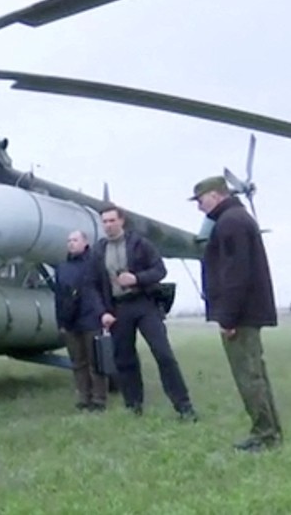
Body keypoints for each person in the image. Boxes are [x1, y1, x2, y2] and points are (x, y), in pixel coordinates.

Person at [190, 176, 282, 452]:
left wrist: (227, 317)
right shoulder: (236, 218)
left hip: (241, 315)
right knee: (256, 374)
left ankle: (265, 435)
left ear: (216, 195)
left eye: (201, 200)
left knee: (248, 376)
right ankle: (270, 431)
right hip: (246, 311)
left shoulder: (230, 222)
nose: (199, 207)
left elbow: (236, 274)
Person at [93, 206, 197, 420]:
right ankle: (133, 405)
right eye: (104, 222)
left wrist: (137, 279)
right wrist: (103, 311)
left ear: (121, 221)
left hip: (144, 304)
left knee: (163, 354)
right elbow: (92, 285)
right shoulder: (99, 250)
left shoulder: (139, 244)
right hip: (118, 308)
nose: (108, 225)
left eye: (112, 220)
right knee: (124, 359)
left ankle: (184, 406)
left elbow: (160, 270)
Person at [54, 230, 107, 411]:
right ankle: (84, 398)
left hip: (91, 319)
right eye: (69, 240)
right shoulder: (62, 268)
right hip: (71, 322)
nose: (71, 243)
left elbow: (103, 290)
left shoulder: (95, 264)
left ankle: (99, 399)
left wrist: (105, 314)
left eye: (75, 240)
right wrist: (60, 322)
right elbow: (59, 297)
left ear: (85, 242)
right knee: (77, 362)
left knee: (95, 362)